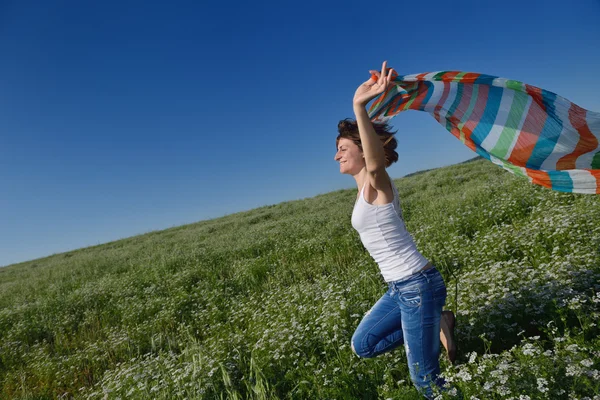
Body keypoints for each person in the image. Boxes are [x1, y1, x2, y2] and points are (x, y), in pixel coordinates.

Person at [334, 61, 456, 399]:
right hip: (399, 289)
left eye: (343, 149)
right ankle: (438, 322)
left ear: (363, 149)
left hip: (418, 285)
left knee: (426, 382)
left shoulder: (378, 184)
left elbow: (374, 164)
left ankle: (432, 323)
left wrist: (360, 105)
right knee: (363, 345)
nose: (336, 156)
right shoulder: (362, 193)